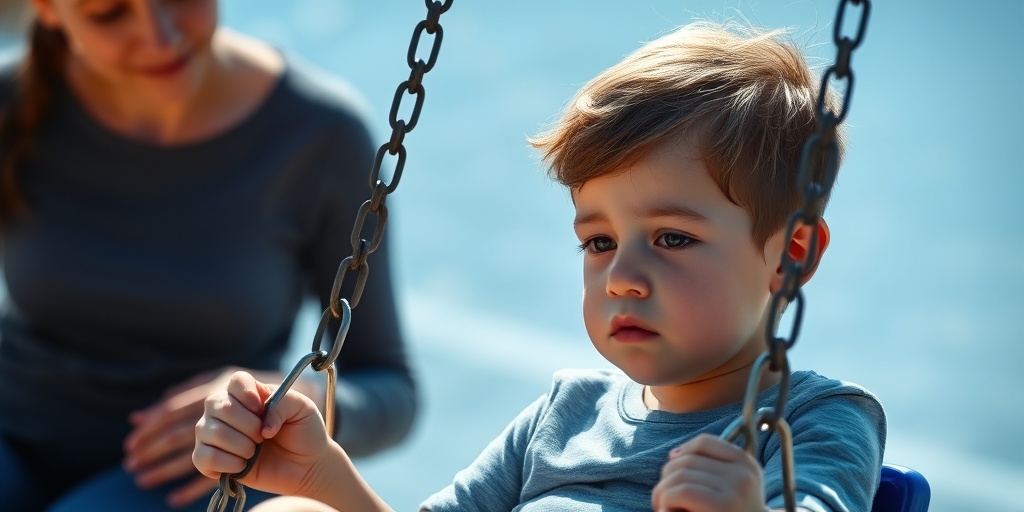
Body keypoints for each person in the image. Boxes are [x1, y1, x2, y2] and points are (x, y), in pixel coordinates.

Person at [192, 21, 886, 512]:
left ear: (790, 256)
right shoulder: (565, 413)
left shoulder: (809, 423)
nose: (621, 277)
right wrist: (324, 477)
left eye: (672, 239)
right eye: (598, 242)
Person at [0, 1, 417, 510]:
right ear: (46, 9)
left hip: (202, 471)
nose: (159, 36)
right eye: (108, 13)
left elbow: (392, 389)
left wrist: (283, 396)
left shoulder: (320, 135)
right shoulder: (13, 101)